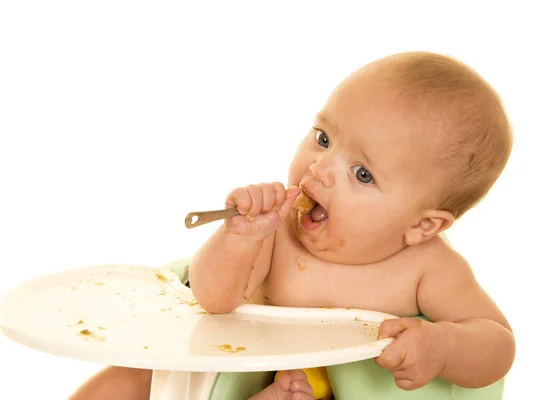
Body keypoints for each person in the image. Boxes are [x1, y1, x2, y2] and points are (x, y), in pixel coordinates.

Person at [72, 51, 515, 400]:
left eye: (362, 174)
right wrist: (240, 239)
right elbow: (214, 299)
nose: (320, 169)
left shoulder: (426, 268)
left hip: (328, 387)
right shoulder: (277, 227)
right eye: (324, 138)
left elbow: (496, 345)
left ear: (423, 225)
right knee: (139, 378)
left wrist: (443, 347)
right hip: (230, 369)